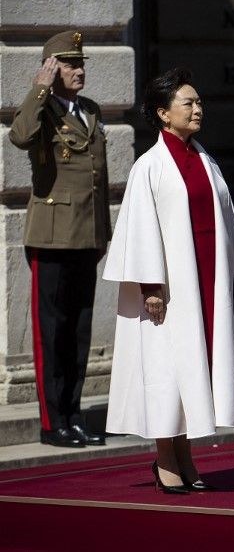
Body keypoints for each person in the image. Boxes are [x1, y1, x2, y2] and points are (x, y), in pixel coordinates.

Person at [103, 68, 234, 494]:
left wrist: (227, 268)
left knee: (196, 366)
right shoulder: (148, 167)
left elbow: (223, 216)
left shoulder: (205, 159)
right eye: (189, 102)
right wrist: (150, 285)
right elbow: (140, 228)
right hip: (167, 287)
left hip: (204, 277)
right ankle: (166, 456)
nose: (198, 108)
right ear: (164, 114)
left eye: (199, 101)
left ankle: (186, 451)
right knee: (167, 368)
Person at [9, 30, 111, 449]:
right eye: (69, 64)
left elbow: (98, 181)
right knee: (52, 334)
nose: (79, 69)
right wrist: (39, 88)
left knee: (79, 333)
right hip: (52, 238)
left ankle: (74, 415)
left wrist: (104, 233)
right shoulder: (43, 109)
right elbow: (19, 137)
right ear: (52, 68)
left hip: (86, 238)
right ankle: (53, 424)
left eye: (81, 63)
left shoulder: (90, 110)